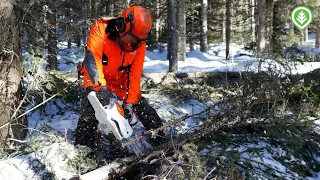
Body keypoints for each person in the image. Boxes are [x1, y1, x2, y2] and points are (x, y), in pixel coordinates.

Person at [75, 5, 165, 149]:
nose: (132, 44)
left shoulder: (139, 44)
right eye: (131, 38)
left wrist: (129, 103)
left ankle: (160, 138)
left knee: (139, 103)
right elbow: (93, 57)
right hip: (96, 73)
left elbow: (135, 74)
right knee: (94, 101)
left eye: (137, 42)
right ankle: (84, 147)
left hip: (118, 80)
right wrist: (100, 87)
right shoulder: (101, 29)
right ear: (120, 26)